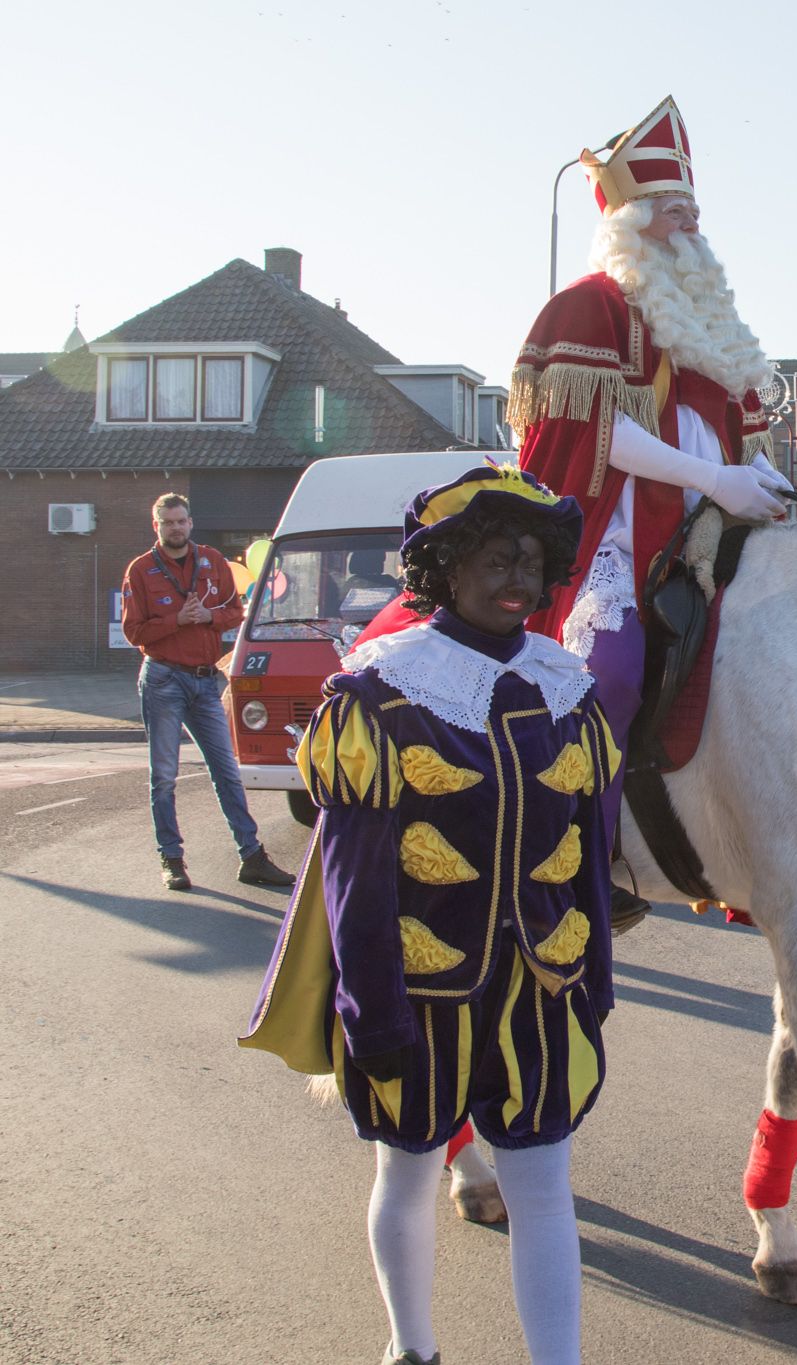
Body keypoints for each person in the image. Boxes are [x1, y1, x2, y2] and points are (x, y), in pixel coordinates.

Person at [240, 465, 617, 1365]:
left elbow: (589, 867)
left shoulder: (567, 688)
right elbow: (353, 877)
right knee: (405, 1172)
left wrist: (593, 977)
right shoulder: (382, 692)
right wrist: (371, 1016)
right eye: (494, 557)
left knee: (543, 1182)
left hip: (538, 989)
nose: (516, 577)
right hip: (418, 991)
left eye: (528, 558)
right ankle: (412, 1347)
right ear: (445, 568)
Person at [511, 95, 790, 927]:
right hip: (620, 545)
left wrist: (760, 481)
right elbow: (596, 430)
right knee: (611, 672)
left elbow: (732, 440)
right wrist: (714, 483)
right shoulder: (592, 307)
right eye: (673, 212)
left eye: (695, 213)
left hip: (713, 543)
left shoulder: (705, 327)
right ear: (630, 220)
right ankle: (572, 869)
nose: (690, 229)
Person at [120, 493, 296, 892]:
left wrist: (210, 617)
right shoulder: (141, 570)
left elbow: (237, 611)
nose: (175, 528)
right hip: (163, 678)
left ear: (190, 522)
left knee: (227, 772)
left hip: (204, 680)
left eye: (181, 521)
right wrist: (176, 619)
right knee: (164, 776)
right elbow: (134, 632)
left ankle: (252, 857)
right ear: (157, 527)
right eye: (168, 523)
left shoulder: (213, 561)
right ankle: (172, 859)